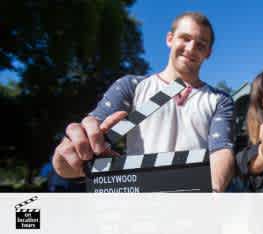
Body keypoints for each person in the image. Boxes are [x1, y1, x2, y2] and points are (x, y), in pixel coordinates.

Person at [53, 12, 235, 192]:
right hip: (138, 202)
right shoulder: (130, 86)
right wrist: (67, 157)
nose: (191, 48)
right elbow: (79, 154)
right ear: (170, 39)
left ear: (209, 52)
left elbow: (221, 150)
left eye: (201, 44)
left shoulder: (220, 100)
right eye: (185, 38)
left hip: (193, 202)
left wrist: (214, 191)